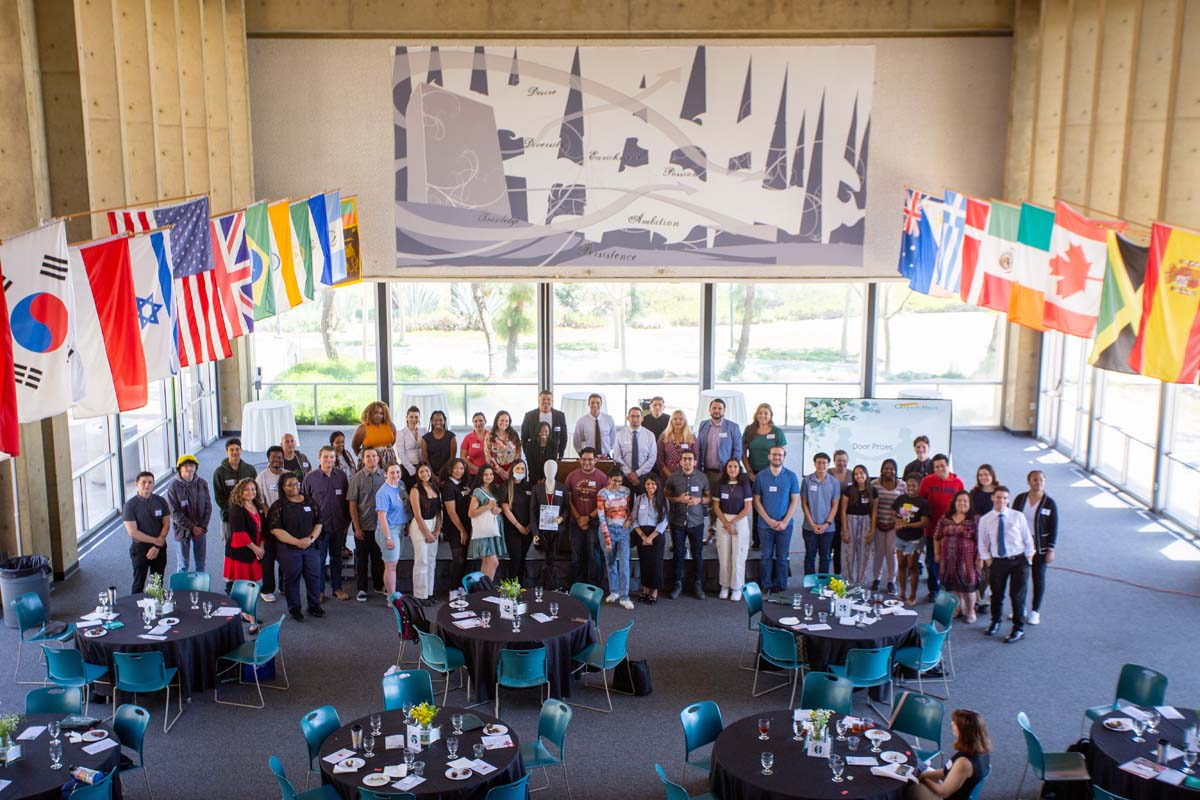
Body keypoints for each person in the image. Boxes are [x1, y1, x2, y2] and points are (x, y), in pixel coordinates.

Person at [977, 485, 1035, 643]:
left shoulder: (1017, 516)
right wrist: (988, 559)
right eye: (998, 497)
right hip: (998, 562)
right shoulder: (986, 520)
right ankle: (995, 621)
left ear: (1008, 500)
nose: (1001, 500)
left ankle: (1018, 629)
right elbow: (982, 543)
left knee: (1017, 596)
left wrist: (1028, 559)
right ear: (993, 498)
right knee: (996, 595)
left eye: (1004, 498)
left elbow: (1028, 539)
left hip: (1019, 561)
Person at [266, 472, 324, 621]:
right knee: (292, 578)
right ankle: (295, 608)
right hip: (289, 549)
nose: (295, 487)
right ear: (283, 487)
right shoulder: (278, 506)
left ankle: (314, 605)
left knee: (314, 576)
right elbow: (275, 529)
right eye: (290, 485)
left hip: (310, 546)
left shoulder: (310, 501)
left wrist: (310, 539)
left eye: (297, 483)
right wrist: (297, 542)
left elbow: (319, 522)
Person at [302, 446, 351, 600]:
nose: (328, 460)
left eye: (331, 457)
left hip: (338, 525)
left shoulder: (341, 476)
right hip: (319, 528)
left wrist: (346, 522)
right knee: (320, 559)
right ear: (319, 457)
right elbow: (304, 502)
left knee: (336, 558)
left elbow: (346, 501)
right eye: (325, 457)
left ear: (335, 459)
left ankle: (337, 588)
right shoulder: (310, 478)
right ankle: (320, 590)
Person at [910, 709, 991, 800]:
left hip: (946, 796)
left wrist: (922, 779)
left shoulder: (964, 763)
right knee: (921, 769)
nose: (952, 724)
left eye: (955, 723)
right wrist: (924, 775)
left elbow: (943, 792)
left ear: (963, 731)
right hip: (954, 785)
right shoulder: (981, 750)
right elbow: (947, 771)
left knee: (909, 787)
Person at [1011, 470, 1058, 626]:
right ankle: (1020, 608)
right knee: (1020, 579)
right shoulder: (1020, 499)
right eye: (1034, 479)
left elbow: (1054, 527)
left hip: (1040, 548)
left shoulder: (1049, 503)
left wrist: (1051, 548)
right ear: (1028, 481)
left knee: (1038, 579)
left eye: (1041, 480)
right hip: (1020, 546)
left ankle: (1035, 611)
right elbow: (1012, 519)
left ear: (1044, 482)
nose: (1038, 482)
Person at [753, 446, 802, 594]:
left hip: (785, 525)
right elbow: (756, 501)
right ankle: (766, 585)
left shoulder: (791, 476)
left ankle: (781, 586)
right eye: (774, 454)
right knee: (766, 556)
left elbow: (794, 501)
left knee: (782, 557)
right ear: (769, 456)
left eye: (780, 455)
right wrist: (769, 521)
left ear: (784, 457)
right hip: (765, 525)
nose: (777, 457)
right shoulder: (761, 476)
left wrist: (785, 521)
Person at [665, 450, 711, 600]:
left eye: (690, 459)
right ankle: (677, 583)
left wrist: (699, 501)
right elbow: (667, 495)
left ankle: (697, 583)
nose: (687, 462)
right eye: (684, 459)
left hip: (696, 522)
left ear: (695, 462)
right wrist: (678, 499)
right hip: (677, 521)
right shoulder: (673, 477)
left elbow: (708, 497)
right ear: (680, 462)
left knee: (697, 553)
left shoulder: (702, 477)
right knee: (678, 553)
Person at [919, 455, 965, 602]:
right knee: (931, 560)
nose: (939, 469)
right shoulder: (927, 481)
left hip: (951, 531)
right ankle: (934, 589)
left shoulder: (958, 483)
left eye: (942, 466)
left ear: (948, 466)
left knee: (949, 560)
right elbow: (921, 502)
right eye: (936, 466)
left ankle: (948, 587)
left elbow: (963, 505)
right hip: (931, 530)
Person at [696, 399, 742, 540]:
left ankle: (725, 531)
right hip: (707, 472)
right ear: (710, 410)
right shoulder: (703, 425)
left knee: (725, 502)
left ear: (724, 410)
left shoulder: (732, 427)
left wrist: (733, 471)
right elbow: (699, 448)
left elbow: (737, 449)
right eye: (714, 408)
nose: (717, 411)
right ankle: (712, 532)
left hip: (725, 473)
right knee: (711, 504)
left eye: (719, 408)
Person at [223, 478, 265, 628]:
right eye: (247, 489)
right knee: (244, 587)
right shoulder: (236, 508)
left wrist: (261, 546)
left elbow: (263, 528)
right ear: (240, 492)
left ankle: (246, 614)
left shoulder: (257, 505)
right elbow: (239, 533)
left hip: (255, 551)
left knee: (252, 586)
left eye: (253, 489)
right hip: (241, 553)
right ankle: (251, 619)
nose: (250, 492)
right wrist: (256, 549)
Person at [347, 448, 386, 602]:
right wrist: (356, 527)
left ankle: (379, 585)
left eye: (374, 456)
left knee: (379, 558)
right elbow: (352, 504)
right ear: (363, 460)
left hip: (380, 527)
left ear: (378, 458)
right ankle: (362, 588)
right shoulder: (357, 478)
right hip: (362, 526)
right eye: (368, 456)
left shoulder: (384, 476)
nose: (371, 459)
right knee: (362, 559)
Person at [934, 491, 979, 623]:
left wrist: (979, 559)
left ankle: (970, 611)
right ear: (954, 502)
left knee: (968, 585)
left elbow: (981, 541)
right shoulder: (945, 518)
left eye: (965, 501)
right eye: (959, 500)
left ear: (970, 504)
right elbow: (937, 537)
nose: (962, 503)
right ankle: (958, 608)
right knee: (952, 585)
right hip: (947, 559)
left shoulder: (974, 520)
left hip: (967, 560)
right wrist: (937, 554)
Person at [712, 457, 753, 601]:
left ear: (739, 468)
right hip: (723, 521)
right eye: (730, 466)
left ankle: (737, 587)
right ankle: (725, 586)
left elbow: (748, 507)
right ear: (726, 468)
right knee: (724, 556)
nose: (732, 469)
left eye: (735, 466)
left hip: (740, 521)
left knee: (738, 556)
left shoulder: (744, 484)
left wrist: (733, 523)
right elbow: (716, 506)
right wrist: (726, 522)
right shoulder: (720, 484)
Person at [123, 471, 170, 594]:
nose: (147, 485)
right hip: (140, 548)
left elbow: (166, 524)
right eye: (143, 482)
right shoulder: (130, 505)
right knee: (139, 583)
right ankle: (136, 610)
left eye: (150, 482)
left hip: (159, 547)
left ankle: (155, 610)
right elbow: (133, 532)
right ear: (137, 484)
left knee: (157, 583)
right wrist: (156, 541)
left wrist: (157, 545)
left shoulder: (161, 501)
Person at [565, 448, 606, 587]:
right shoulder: (572, 476)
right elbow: (568, 500)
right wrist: (579, 518)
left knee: (593, 556)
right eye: (583, 459)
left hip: (594, 523)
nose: (586, 462)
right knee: (576, 557)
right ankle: (576, 588)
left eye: (590, 459)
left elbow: (604, 503)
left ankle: (593, 588)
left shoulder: (602, 478)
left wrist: (588, 518)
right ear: (579, 460)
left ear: (595, 460)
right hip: (575, 523)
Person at [254, 447, 289, 603]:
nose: (277, 460)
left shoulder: (287, 474)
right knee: (268, 558)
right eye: (274, 457)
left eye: (280, 457)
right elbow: (260, 501)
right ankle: (267, 589)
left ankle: (284, 585)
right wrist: (271, 515)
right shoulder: (261, 477)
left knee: (285, 555)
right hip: (268, 522)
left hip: (286, 521)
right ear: (268, 458)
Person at [166, 454, 211, 574]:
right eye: (185, 466)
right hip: (182, 530)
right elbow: (174, 512)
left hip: (201, 529)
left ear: (196, 468)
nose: (189, 469)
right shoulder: (173, 487)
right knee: (183, 564)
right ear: (180, 468)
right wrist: (192, 528)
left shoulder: (202, 483)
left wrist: (202, 527)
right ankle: (182, 592)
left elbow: (208, 506)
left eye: (191, 466)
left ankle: (200, 590)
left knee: (201, 562)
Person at [597, 466, 634, 609]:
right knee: (610, 562)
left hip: (623, 530)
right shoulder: (602, 494)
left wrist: (629, 521)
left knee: (624, 563)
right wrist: (607, 539)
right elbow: (601, 517)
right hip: (608, 530)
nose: (617, 484)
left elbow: (628, 510)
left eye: (619, 481)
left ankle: (625, 596)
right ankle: (614, 591)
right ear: (609, 479)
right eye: (614, 481)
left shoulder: (626, 491)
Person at [893, 474, 931, 604]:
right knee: (901, 565)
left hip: (914, 540)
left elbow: (925, 522)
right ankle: (902, 593)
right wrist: (897, 521)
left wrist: (906, 524)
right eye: (908, 485)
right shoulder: (900, 499)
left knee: (912, 566)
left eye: (914, 485)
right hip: (899, 538)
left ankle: (913, 595)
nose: (910, 488)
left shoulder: (923, 502)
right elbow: (893, 513)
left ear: (919, 486)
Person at [407, 463, 442, 605]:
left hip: (434, 524)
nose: (424, 474)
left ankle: (429, 592)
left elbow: (439, 512)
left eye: (427, 470)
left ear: (430, 472)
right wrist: (427, 533)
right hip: (420, 526)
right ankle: (420, 595)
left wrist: (438, 530)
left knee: (431, 561)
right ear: (418, 474)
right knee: (422, 561)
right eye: (421, 471)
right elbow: (417, 515)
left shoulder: (435, 488)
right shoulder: (415, 490)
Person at [800, 452, 839, 576]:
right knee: (810, 556)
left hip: (828, 528)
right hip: (809, 527)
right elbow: (804, 503)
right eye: (818, 462)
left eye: (824, 463)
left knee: (825, 557)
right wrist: (812, 524)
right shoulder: (807, 480)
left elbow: (835, 505)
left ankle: (822, 586)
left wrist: (827, 524)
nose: (821, 465)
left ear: (828, 465)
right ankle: (809, 585)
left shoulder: (834, 482)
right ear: (814, 463)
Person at [374, 464, 411, 597]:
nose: (395, 475)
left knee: (393, 564)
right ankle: (392, 597)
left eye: (397, 472)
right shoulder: (383, 493)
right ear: (385, 474)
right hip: (388, 531)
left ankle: (390, 590)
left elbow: (404, 507)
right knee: (391, 566)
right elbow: (382, 517)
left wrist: (406, 525)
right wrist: (388, 538)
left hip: (400, 528)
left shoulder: (401, 484)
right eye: (391, 473)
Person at [632, 473, 668, 603]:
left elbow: (664, 521)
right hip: (641, 534)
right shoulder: (639, 499)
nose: (650, 486)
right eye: (648, 484)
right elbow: (634, 519)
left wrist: (651, 537)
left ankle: (654, 592)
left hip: (656, 535)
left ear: (657, 485)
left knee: (656, 564)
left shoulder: (662, 499)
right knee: (644, 563)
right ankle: (645, 590)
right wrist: (642, 536)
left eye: (653, 484)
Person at [533, 460, 569, 590]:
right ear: (544, 470)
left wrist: (562, 518)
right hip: (542, 529)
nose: (550, 471)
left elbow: (566, 508)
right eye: (547, 468)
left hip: (557, 528)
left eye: (553, 468)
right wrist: (535, 532)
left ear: (556, 470)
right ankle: (546, 584)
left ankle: (551, 584)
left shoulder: (562, 487)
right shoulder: (537, 488)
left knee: (553, 557)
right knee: (546, 556)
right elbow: (533, 512)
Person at [870, 459, 904, 594]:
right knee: (878, 554)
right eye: (886, 468)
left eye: (891, 469)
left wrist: (898, 521)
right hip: (878, 524)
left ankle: (891, 581)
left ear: (896, 471)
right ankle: (876, 579)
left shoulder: (902, 485)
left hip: (894, 526)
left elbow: (906, 506)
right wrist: (875, 522)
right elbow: (871, 505)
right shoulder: (874, 484)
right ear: (881, 469)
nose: (888, 471)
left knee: (891, 554)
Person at [969, 464, 1000, 611]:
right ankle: (977, 598)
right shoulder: (975, 492)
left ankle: (986, 600)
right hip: (977, 533)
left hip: (993, 535)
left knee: (989, 569)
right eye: (980, 475)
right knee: (976, 567)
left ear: (992, 475)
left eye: (986, 474)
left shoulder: (999, 493)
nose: (983, 477)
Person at [468, 465, 508, 579]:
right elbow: (471, 513)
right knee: (493, 562)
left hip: (493, 530)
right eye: (485, 474)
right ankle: (487, 589)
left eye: (491, 474)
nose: (489, 477)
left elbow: (499, 507)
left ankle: (482, 590)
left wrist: (499, 509)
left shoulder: (495, 488)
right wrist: (488, 506)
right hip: (485, 531)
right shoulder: (478, 491)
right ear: (481, 476)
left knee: (486, 562)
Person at [213, 437, 257, 540]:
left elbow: (256, 491)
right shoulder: (219, 472)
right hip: (229, 516)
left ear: (241, 450)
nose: (235, 452)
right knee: (230, 544)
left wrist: (249, 509)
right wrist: (233, 511)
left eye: (237, 449)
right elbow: (219, 497)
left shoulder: (250, 469)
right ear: (226, 451)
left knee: (249, 542)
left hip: (249, 514)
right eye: (231, 450)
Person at [840, 465, 877, 585]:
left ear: (866, 474)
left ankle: (861, 582)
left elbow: (874, 511)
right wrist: (845, 530)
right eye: (856, 474)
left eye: (861, 473)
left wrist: (872, 530)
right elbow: (843, 510)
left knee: (864, 553)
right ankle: (848, 581)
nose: (859, 476)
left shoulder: (873, 490)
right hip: (851, 522)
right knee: (848, 553)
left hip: (866, 522)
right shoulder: (849, 490)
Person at [440, 458, 473, 592]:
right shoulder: (448, 486)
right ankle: (452, 589)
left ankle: (460, 587)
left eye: (461, 468)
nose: (458, 471)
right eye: (456, 468)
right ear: (450, 469)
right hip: (455, 528)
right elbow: (451, 512)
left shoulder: (463, 484)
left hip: (466, 525)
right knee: (458, 559)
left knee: (464, 559)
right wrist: (462, 530)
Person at [501, 460, 534, 585]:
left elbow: (534, 507)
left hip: (528, 529)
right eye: (518, 469)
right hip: (513, 529)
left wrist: (529, 526)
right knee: (515, 558)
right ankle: (511, 588)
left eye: (522, 469)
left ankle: (520, 586)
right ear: (512, 470)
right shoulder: (506, 486)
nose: (520, 471)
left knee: (523, 558)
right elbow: (505, 509)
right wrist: (519, 526)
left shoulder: (529, 486)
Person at [613, 406, 657, 492]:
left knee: (642, 503)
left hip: (643, 476)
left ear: (642, 418)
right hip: (625, 476)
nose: (635, 419)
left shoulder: (650, 435)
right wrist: (629, 473)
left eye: (638, 416)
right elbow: (617, 457)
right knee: (625, 503)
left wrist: (637, 473)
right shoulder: (620, 435)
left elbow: (652, 458)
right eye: (632, 416)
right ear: (627, 418)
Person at [520, 390, 568, 459]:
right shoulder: (529, 416)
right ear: (539, 401)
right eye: (543, 399)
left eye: (548, 399)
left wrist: (560, 454)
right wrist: (528, 454)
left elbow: (564, 437)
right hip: (535, 454)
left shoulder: (560, 416)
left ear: (552, 401)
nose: (546, 401)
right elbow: (524, 437)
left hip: (553, 454)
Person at [352, 401, 397, 467]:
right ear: (369, 413)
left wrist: (385, 452)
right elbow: (354, 445)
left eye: (381, 413)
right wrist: (365, 456)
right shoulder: (362, 428)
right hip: (370, 461)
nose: (379, 416)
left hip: (388, 460)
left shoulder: (390, 426)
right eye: (375, 413)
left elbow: (392, 442)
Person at [656, 410, 697, 479]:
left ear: (685, 421)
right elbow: (659, 459)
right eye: (675, 419)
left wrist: (687, 474)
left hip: (686, 477)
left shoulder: (691, 437)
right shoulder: (664, 437)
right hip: (667, 477)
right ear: (671, 421)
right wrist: (670, 476)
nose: (678, 421)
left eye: (681, 419)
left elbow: (696, 458)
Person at [829, 450, 852, 574]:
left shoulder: (852, 474)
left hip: (846, 518)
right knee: (827, 549)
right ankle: (824, 576)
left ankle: (837, 576)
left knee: (839, 549)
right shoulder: (827, 473)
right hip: (829, 517)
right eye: (838, 460)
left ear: (847, 461)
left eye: (844, 460)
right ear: (834, 461)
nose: (841, 463)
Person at [486, 410, 522, 482]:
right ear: (497, 421)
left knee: (512, 491)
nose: (504, 423)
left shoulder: (514, 434)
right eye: (502, 420)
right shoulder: (490, 435)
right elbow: (488, 455)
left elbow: (518, 452)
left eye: (506, 421)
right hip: (496, 471)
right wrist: (501, 472)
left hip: (512, 469)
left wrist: (510, 470)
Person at [420, 410, 456, 479]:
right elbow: (425, 459)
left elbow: (452, 458)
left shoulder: (451, 437)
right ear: (432, 421)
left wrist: (443, 474)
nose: (438, 422)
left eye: (440, 420)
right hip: (430, 474)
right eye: (435, 420)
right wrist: (432, 475)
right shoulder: (425, 438)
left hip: (447, 473)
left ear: (444, 421)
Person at [395, 406, 425, 488]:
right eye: (411, 417)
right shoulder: (401, 433)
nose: (414, 419)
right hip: (407, 467)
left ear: (419, 418)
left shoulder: (423, 431)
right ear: (406, 418)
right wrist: (412, 470)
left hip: (421, 466)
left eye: (416, 417)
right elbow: (401, 453)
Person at [460, 412, 489, 476]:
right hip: (473, 474)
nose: (478, 423)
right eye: (475, 421)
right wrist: (476, 469)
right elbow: (463, 457)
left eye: (481, 420)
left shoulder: (491, 436)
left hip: (490, 473)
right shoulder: (468, 438)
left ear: (485, 421)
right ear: (473, 422)